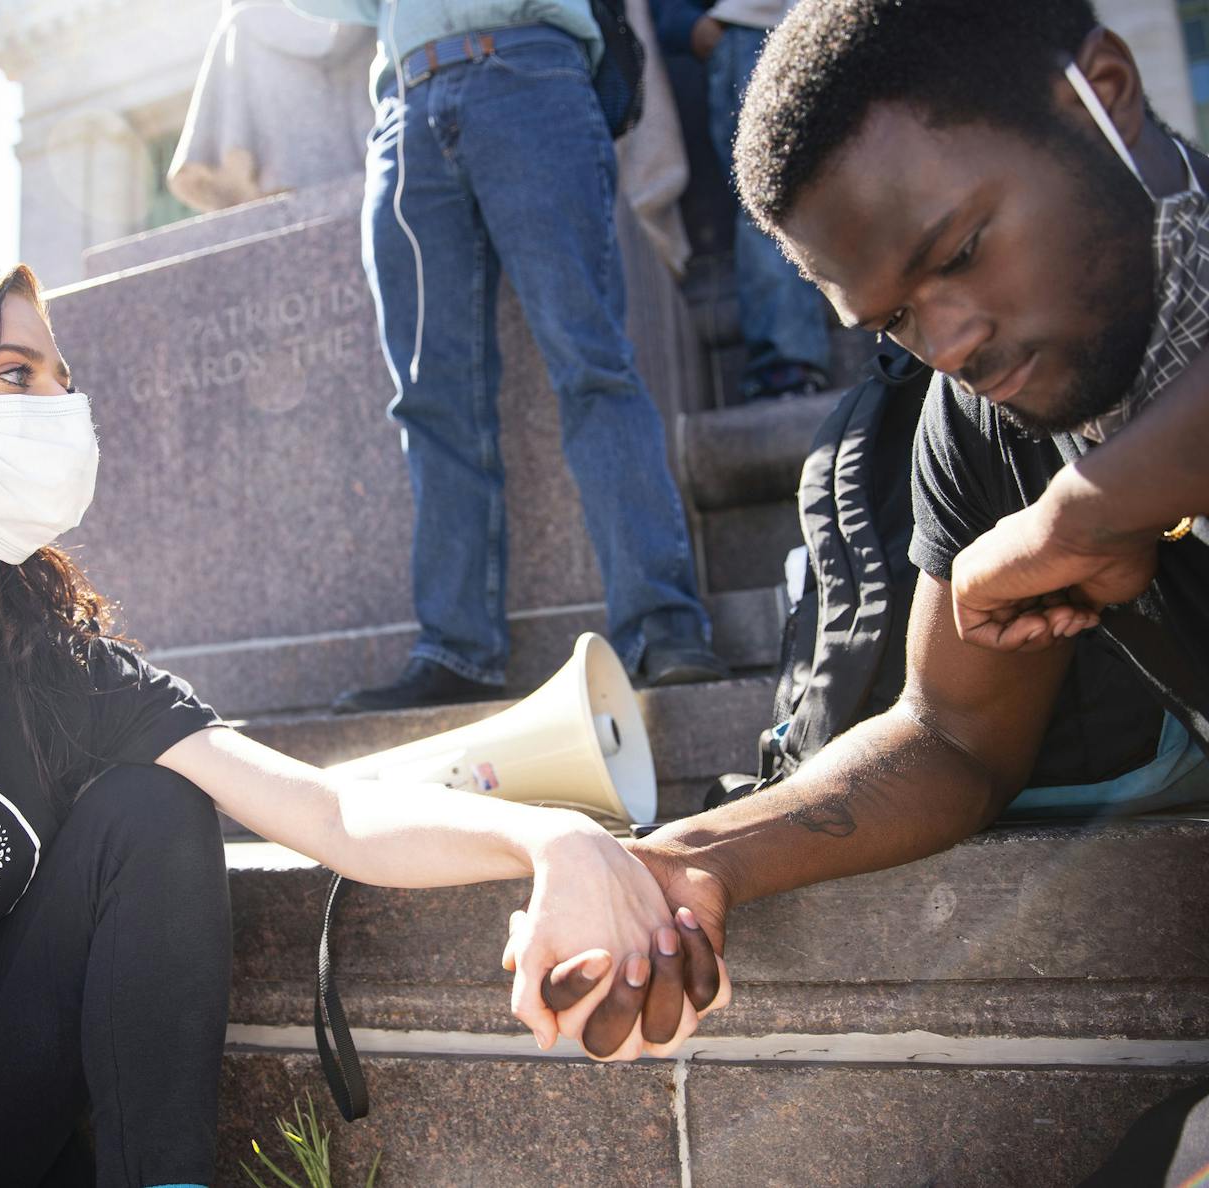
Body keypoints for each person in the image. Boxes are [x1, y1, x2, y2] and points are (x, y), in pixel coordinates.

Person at [0, 264, 725, 1188]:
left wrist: (555, 836)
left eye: (64, 381)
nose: (61, 410)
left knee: (153, 807)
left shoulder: (59, 664)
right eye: (16, 375)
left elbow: (329, 815)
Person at [521, 0, 1209, 1177]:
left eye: (955, 251)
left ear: (1099, 91)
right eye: (890, 317)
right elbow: (950, 738)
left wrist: (1082, 514)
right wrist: (693, 854)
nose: (947, 341)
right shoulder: (983, 423)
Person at [278, 0, 728, 715]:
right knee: (429, 399)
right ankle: (455, 648)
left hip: (533, 73)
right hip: (407, 105)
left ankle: (664, 627)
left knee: (592, 366)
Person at [650, 0, 830, 400]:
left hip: (825, 21)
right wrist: (693, 27)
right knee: (769, 201)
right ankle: (787, 364)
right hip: (750, 29)